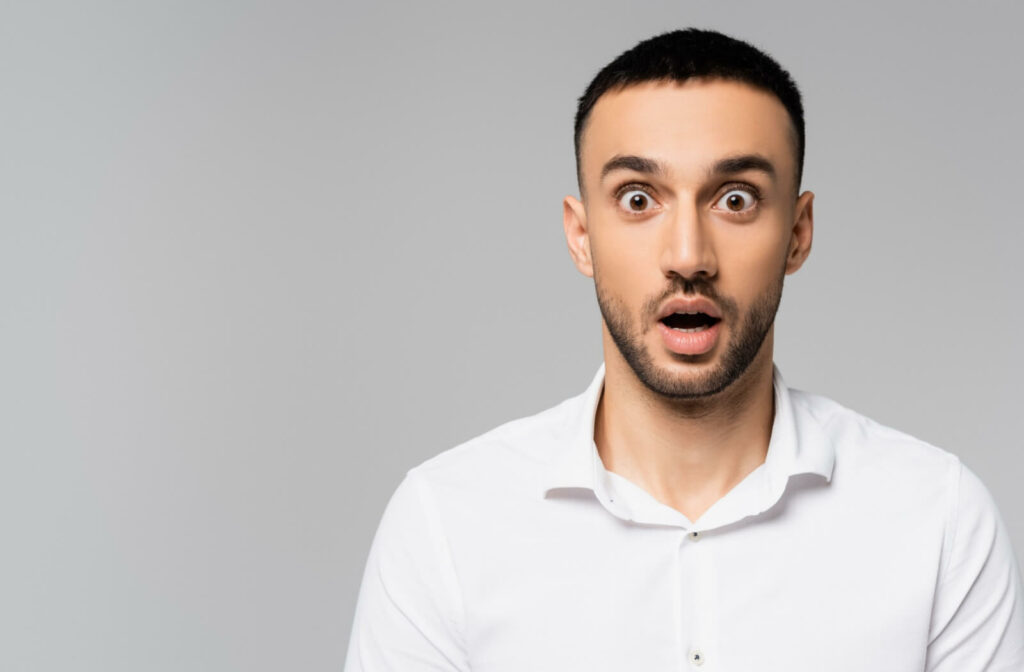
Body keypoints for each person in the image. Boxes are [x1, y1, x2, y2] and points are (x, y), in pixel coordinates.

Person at [343, 28, 1024, 671]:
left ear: (798, 232)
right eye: (638, 198)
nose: (688, 257)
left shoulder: (938, 517)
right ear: (582, 236)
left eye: (736, 199)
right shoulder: (447, 523)